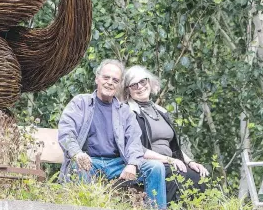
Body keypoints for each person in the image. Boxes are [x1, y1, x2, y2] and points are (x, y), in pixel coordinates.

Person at [58, 59, 167, 209]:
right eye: (106, 77)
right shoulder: (80, 103)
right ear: (97, 78)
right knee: (80, 167)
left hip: (117, 164)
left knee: (155, 167)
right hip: (90, 161)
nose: (110, 82)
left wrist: (132, 164)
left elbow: (134, 142)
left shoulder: (124, 111)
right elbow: (66, 132)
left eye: (115, 80)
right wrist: (77, 154)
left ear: (119, 84)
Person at [123, 65, 209, 204]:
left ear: (149, 82)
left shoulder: (161, 111)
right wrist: (169, 160)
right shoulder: (128, 111)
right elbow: (136, 148)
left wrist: (190, 162)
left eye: (143, 81)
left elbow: (173, 146)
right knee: (176, 176)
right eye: (133, 85)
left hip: (171, 161)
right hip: (150, 163)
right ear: (128, 91)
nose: (140, 87)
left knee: (200, 174)